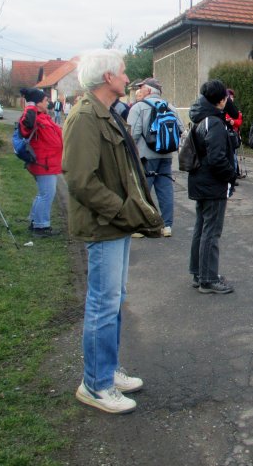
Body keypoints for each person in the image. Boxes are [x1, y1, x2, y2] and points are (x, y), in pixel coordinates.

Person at [63, 49, 163, 414]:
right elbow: (79, 180)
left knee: (114, 299)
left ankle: (106, 369)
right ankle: (96, 384)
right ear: (107, 77)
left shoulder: (104, 112)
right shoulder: (85, 117)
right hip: (104, 224)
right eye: (122, 72)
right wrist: (123, 211)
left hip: (115, 225)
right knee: (103, 304)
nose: (127, 78)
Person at [187, 80, 238, 293]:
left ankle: (199, 272)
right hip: (212, 182)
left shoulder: (201, 117)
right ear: (221, 100)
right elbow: (217, 158)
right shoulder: (214, 122)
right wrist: (231, 175)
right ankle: (208, 278)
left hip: (200, 180)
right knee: (211, 230)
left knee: (201, 227)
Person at [127, 77, 183, 237]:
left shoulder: (138, 107)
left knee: (143, 190)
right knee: (165, 188)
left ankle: (142, 226)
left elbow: (134, 133)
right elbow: (180, 128)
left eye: (142, 88)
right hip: (165, 154)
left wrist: (130, 152)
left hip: (145, 155)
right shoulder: (170, 107)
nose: (139, 90)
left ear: (149, 90)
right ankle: (167, 226)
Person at [18, 87, 64, 237]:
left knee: (43, 193)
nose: (48, 102)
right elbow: (25, 128)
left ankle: (35, 221)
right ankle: (41, 226)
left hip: (48, 161)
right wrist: (31, 106)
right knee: (47, 194)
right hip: (43, 163)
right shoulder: (32, 116)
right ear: (38, 103)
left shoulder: (43, 116)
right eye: (45, 100)